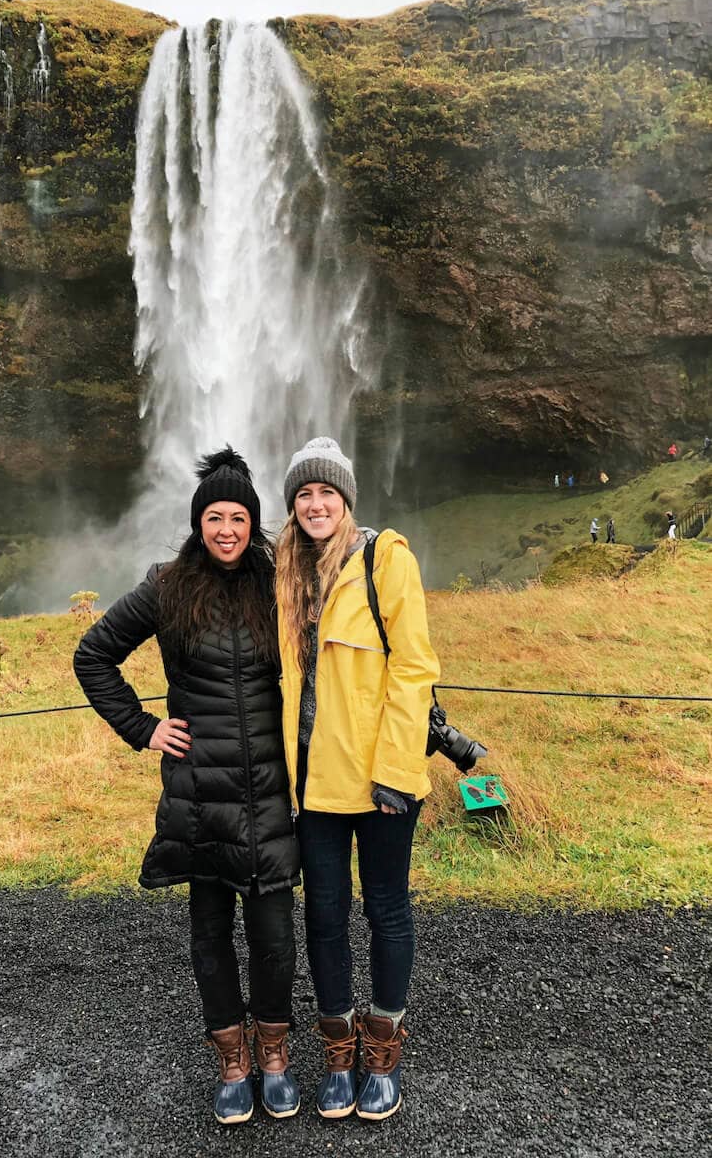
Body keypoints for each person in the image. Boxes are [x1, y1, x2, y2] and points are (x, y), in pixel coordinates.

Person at [73, 448, 301, 1125]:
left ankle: (275, 1056)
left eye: (238, 517)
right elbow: (93, 654)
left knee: (274, 934)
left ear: (253, 524)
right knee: (209, 932)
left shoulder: (278, 583)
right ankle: (231, 1060)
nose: (226, 529)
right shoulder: (168, 585)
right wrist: (142, 728)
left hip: (267, 789)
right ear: (198, 522)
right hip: (200, 793)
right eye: (214, 517)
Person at [274, 437, 441, 1123]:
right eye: (304, 495)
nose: (315, 504)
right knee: (325, 916)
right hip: (313, 786)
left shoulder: (385, 561)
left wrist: (398, 772)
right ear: (293, 507)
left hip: (380, 782)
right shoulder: (284, 573)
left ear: (346, 501)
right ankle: (338, 1050)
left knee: (387, 910)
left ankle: (383, 1047)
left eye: (326, 493)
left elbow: (414, 669)